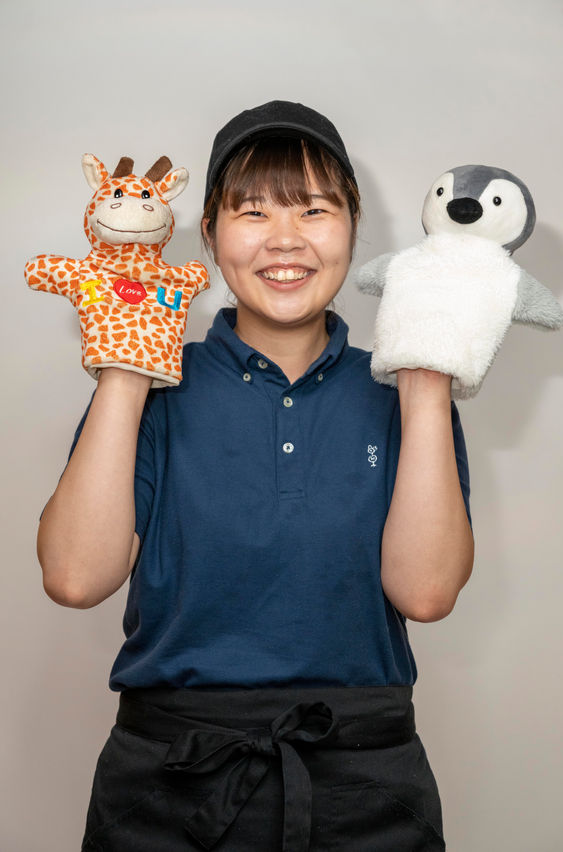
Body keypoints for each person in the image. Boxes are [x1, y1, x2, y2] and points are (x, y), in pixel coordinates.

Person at [37, 100, 474, 851]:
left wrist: (428, 386)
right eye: (252, 211)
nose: (285, 239)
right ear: (208, 234)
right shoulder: (156, 387)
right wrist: (126, 368)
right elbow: (76, 578)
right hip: (169, 780)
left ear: (353, 227)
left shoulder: (402, 391)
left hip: (365, 782)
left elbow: (427, 594)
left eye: (314, 209)